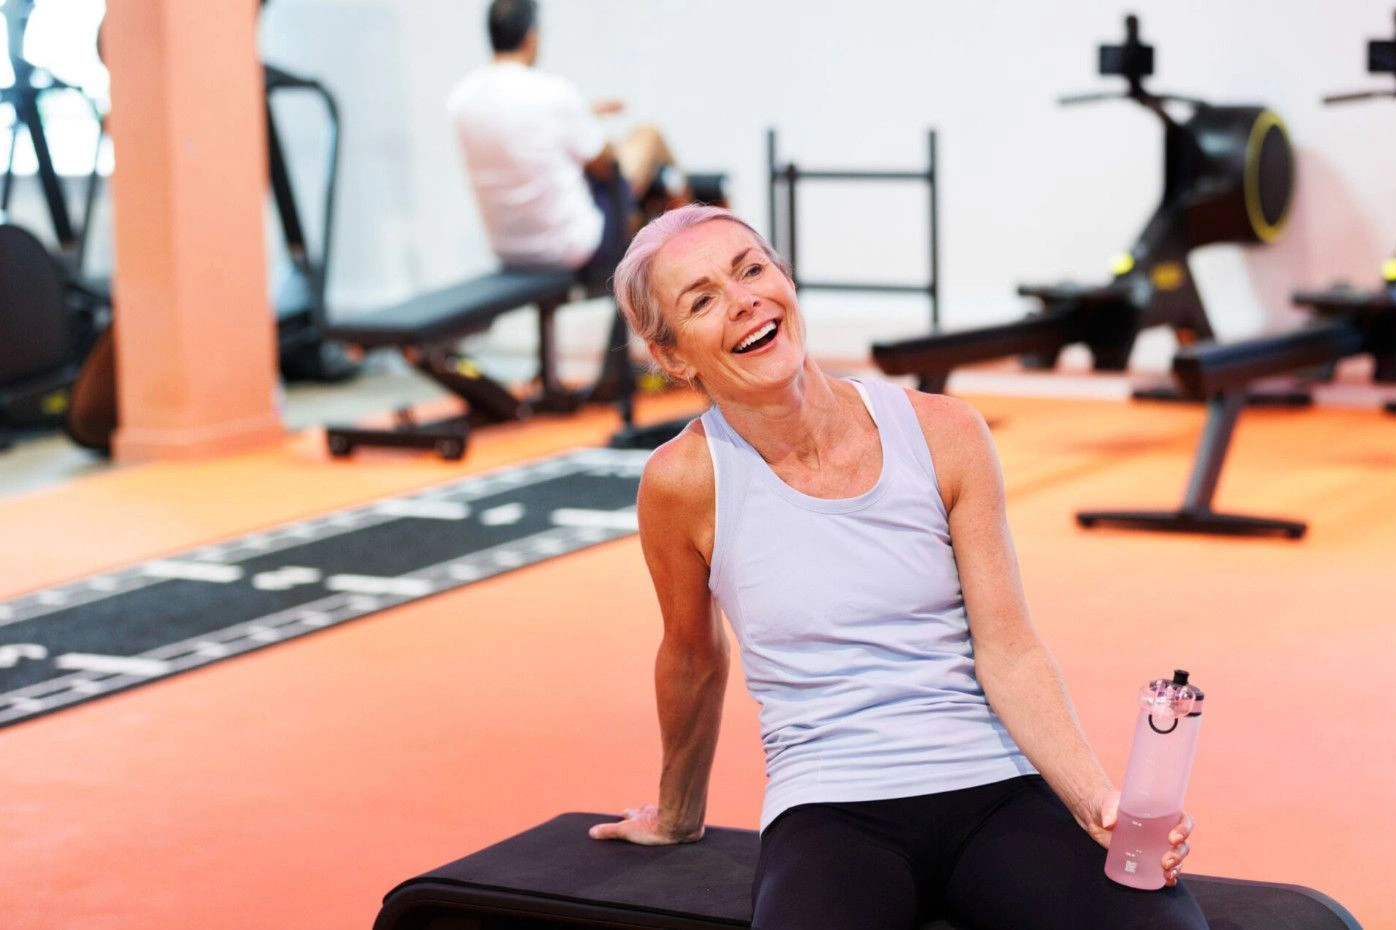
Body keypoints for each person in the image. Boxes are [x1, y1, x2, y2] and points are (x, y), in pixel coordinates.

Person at [587, 205, 1209, 930]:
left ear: (784, 278)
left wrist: (1096, 801)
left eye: (752, 269)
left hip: (996, 784)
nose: (744, 299)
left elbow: (1008, 649)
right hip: (830, 805)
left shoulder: (943, 432)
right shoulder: (683, 482)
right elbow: (693, 656)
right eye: (701, 299)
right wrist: (678, 814)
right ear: (672, 357)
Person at [447, 0, 691, 289]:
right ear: (531, 36)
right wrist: (591, 128)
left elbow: (517, 138)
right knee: (649, 136)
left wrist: (583, 114)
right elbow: (606, 166)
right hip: (573, 248)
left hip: (509, 250)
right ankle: (693, 244)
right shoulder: (550, 92)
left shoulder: (461, 99)